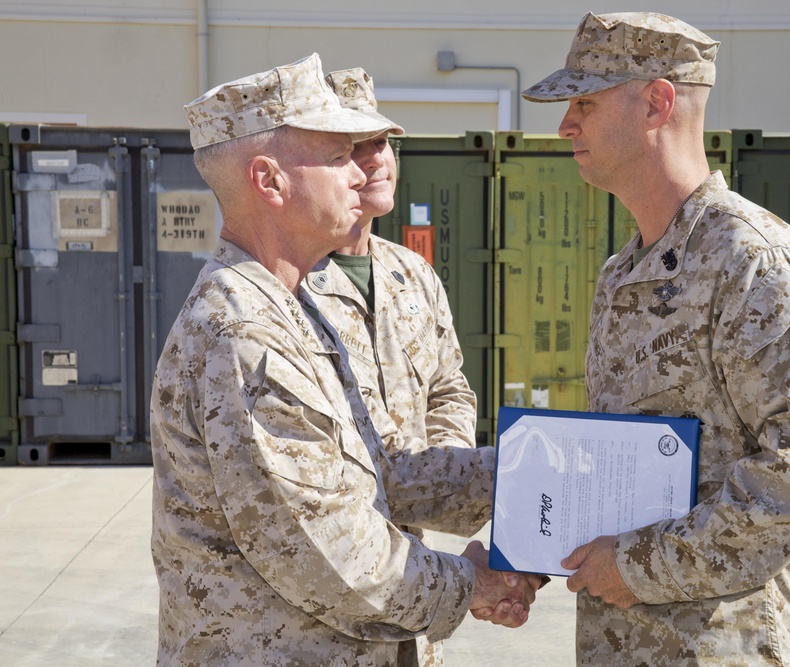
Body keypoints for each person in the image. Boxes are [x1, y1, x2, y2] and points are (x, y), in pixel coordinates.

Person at [150, 53, 535, 666]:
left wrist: (531, 478)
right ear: (269, 182)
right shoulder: (246, 331)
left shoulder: (290, 305)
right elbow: (326, 551)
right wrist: (473, 584)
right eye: (335, 158)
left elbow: (381, 469)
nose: (360, 174)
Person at [522, 12, 790, 665]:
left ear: (657, 102)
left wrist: (641, 564)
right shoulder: (622, 272)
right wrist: (536, 546)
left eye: (585, 103)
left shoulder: (754, 261)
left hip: (727, 645)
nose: (567, 124)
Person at [303, 67, 501, 666]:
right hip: (331, 611)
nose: (378, 159)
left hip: (415, 588)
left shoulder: (410, 272)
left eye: (384, 141)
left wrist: (445, 471)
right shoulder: (287, 288)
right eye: (354, 147)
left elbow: (449, 388)